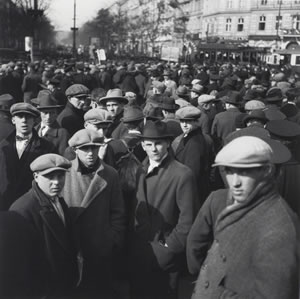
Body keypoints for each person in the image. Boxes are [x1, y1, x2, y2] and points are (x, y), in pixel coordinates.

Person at [187, 136, 299, 299]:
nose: (235, 183)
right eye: (229, 171)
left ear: (267, 171)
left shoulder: (277, 230)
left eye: (245, 172)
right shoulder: (244, 204)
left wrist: (216, 292)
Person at [129, 120, 197, 299]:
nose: (154, 149)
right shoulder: (139, 170)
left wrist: (169, 246)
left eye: (158, 143)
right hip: (139, 253)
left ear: (168, 143)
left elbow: (187, 219)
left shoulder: (182, 174)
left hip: (164, 258)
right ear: (142, 145)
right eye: (149, 144)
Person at [63, 129, 126, 297]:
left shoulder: (110, 174)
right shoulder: (65, 173)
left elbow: (118, 211)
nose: (90, 153)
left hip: (100, 248)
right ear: (75, 150)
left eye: (94, 148)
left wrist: (113, 239)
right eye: (85, 149)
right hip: (73, 247)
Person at [10, 154, 78, 296]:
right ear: (36, 177)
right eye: (50, 177)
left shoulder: (57, 199)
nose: (57, 182)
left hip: (62, 284)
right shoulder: (22, 209)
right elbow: (19, 265)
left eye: (60, 176)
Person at [0, 103, 54, 210]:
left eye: (28, 117)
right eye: (20, 116)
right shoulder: (3, 146)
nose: (24, 120)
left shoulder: (47, 147)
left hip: (32, 205)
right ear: (13, 120)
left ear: (34, 121)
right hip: (5, 204)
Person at [172, 106, 211, 208]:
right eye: (182, 121)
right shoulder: (190, 136)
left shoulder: (194, 143)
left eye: (188, 122)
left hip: (191, 191)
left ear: (196, 122)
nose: (184, 125)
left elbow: (193, 171)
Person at [33, 90, 70, 155]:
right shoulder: (34, 129)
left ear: (56, 113)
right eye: (45, 113)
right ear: (40, 113)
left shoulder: (62, 134)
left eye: (52, 113)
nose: (48, 117)